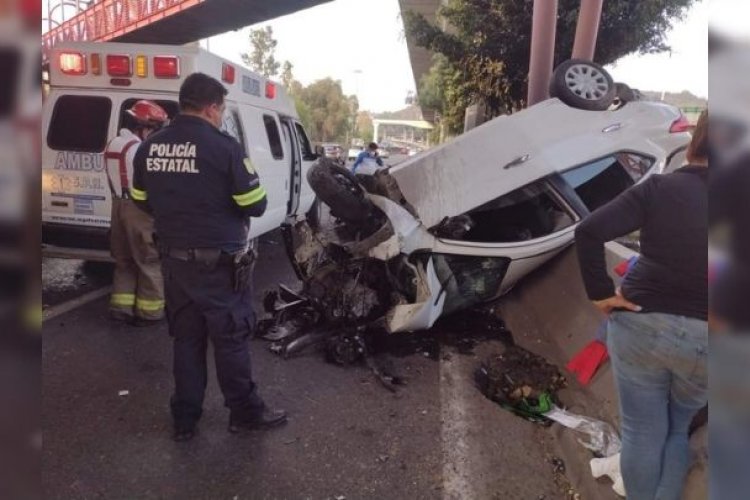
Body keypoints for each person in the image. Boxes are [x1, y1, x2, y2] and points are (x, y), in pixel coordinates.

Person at [131, 72, 287, 441]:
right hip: (219, 266)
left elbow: (139, 200)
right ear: (212, 108)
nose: (219, 116)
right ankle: (245, 413)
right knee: (230, 339)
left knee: (186, 340)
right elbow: (255, 203)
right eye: (220, 110)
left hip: (174, 263)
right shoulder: (225, 147)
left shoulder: (149, 148)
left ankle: (185, 419)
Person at [575, 110, 708, 500]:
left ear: (695, 140)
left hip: (641, 324)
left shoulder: (658, 189)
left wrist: (601, 293)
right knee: (677, 428)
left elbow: (588, 231)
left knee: (643, 432)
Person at [104, 100, 168, 325]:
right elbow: (151, 186)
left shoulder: (114, 144)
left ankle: (121, 308)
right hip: (138, 210)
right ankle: (149, 312)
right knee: (148, 261)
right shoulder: (140, 150)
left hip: (117, 206)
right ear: (146, 126)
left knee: (124, 261)